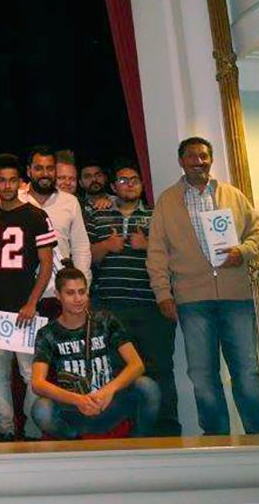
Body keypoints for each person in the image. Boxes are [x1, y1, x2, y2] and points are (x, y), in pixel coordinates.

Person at [147, 136, 259, 435]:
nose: (199, 161)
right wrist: (163, 294)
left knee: (247, 370)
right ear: (181, 161)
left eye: (204, 156)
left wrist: (242, 251)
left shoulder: (232, 195)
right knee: (202, 374)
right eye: (192, 156)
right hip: (192, 301)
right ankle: (216, 438)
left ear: (211, 159)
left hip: (236, 297)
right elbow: (157, 253)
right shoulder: (167, 201)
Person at [86, 159, 180, 435]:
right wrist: (107, 245)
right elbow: (85, 257)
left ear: (142, 185)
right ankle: (124, 433)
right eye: (123, 180)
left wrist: (147, 245)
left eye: (135, 180)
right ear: (113, 187)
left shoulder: (156, 215)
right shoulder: (98, 216)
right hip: (110, 310)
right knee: (115, 373)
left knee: (160, 371)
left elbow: (177, 255)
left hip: (151, 308)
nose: (129, 185)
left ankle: (166, 433)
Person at [0, 153, 57, 441]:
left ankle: (33, 431)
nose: (7, 186)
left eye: (12, 180)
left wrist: (33, 302)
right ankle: (6, 431)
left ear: (20, 182)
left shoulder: (36, 216)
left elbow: (46, 264)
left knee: (30, 375)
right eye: (2, 180)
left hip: (25, 309)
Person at [30, 267, 160, 438]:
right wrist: (77, 399)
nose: (78, 299)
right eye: (70, 293)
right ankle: (74, 442)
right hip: (73, 409)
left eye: (82, 292)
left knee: (147, 387)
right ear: (58, 295)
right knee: (41, 409)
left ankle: (138, 445)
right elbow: (37, 383)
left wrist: (108, 391)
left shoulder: (105, 321)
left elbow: (137, 365)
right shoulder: (47, 333)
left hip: (108, 403)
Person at [25, 146, 91, 320]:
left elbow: (81, 248)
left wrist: (82, 290)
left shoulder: (70, 202)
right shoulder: (16, 199)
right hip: (23, 291)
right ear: (29, 171)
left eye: (50, 168)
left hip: (60, 293)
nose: (45, 174)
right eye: (39, 168)